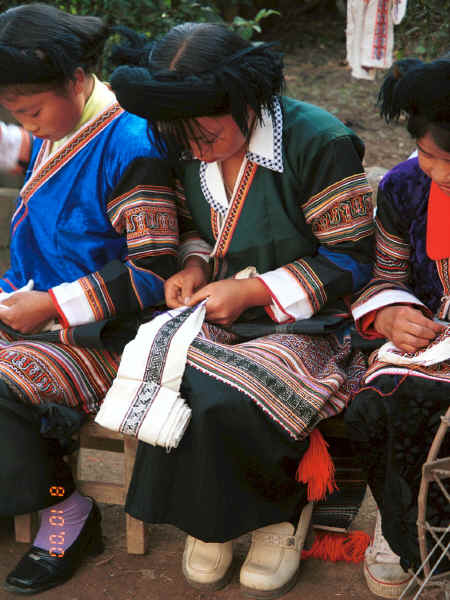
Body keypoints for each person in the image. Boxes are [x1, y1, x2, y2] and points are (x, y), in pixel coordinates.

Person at [108, 22, 375, 598]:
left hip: (312, 320)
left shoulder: (317, 141)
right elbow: (193, 229)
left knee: (228, 393)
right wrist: (196, 268)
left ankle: (277, 519)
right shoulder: (183, 146)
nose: (197, 149)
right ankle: (213, 522)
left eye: (207, 134)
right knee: (165, 376)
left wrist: (253, 293)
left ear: (246, 100)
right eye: (185, 140)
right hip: (220, 308)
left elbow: (354, 259)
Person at [0, 3, 178, 595]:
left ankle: (65, 508)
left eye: (31, 110)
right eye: (14, 115)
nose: (27, 125)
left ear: (77, 81)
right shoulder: (60, 128)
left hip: (110, 334)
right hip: (35, 309)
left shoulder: (132, 140)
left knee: (4, 386)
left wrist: (52, 306)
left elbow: (154, 269)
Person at [346, 56, 450, 599]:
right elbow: (385, 274)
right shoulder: (405, 186)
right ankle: (400, 526)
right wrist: (390, 314)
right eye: (433, 157)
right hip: (433, 341)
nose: (444, 174)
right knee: (377, 400)